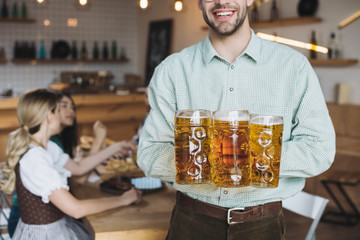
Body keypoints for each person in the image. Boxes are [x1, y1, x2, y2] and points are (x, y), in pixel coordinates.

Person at [137, 0, 336, 239]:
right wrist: (217, 160)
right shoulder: (171, 71)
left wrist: (242, 159)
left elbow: (319, 150)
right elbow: (149, 154)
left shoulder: (294, 67)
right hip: (191, 222)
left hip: (263, 226)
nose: (222, 1)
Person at [0, 88, 141, 239]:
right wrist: (122, 200)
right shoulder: (35, 159)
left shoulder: (47, 147)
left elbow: (79, 168)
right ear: (49, 115)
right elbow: (76, 209)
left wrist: (116, 147)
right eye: (58, 110)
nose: (62, 115)